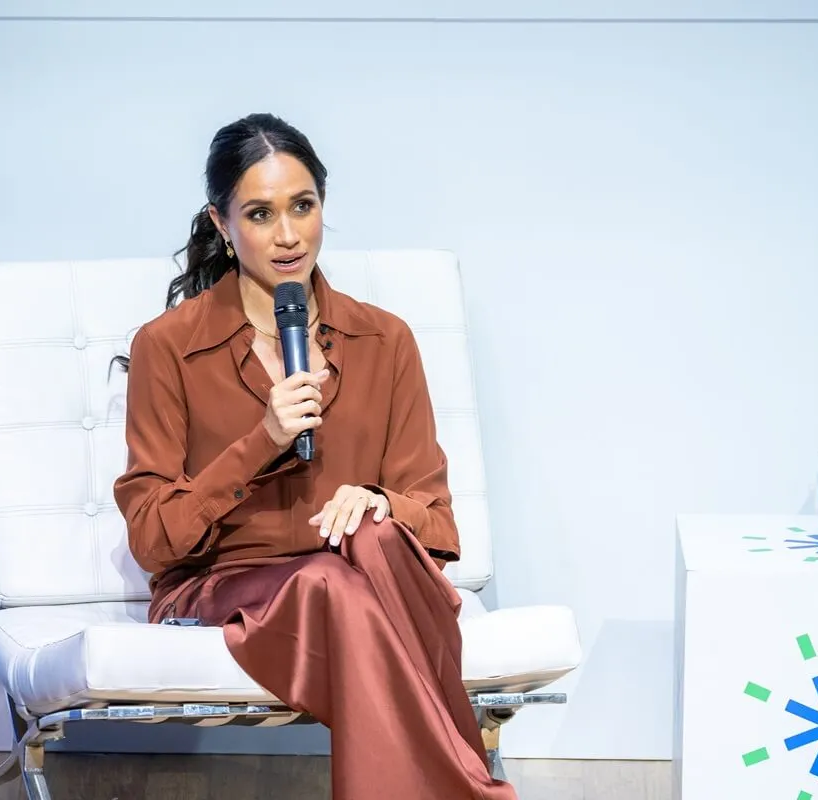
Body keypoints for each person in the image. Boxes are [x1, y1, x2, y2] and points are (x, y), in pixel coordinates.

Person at [112, 113, 518, 800]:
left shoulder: (384, 340)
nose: (290, 234)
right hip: (225, 583)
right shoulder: (168, 346)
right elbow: (154, 540)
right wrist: (260, 441)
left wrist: (381, 502)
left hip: (365, 576)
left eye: (304, 206)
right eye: (261, 213)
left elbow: (439, 525)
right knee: (333, 584)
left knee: (370, 540)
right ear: (221, 223)